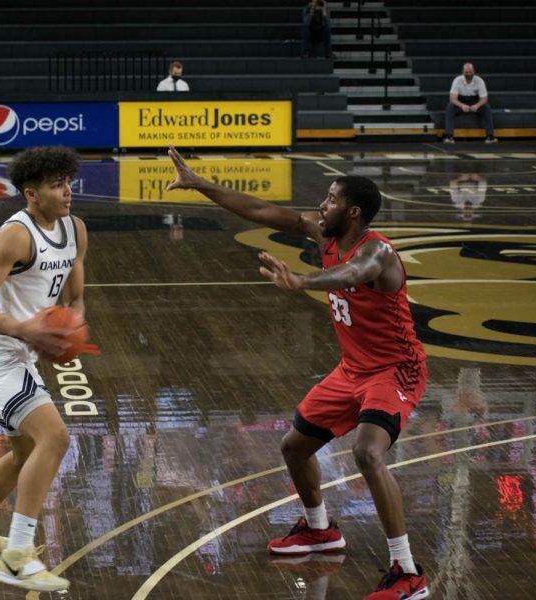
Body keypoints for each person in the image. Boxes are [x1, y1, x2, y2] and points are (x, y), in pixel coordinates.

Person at [167, 145, 430, 600]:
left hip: (395, 370)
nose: (320, 205)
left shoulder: (378, 253)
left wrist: (303, 281)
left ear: (352, 212)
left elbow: (353, 273)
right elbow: (261, 209)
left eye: (330, 200)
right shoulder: (324, 232)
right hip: (352, 370)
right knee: (294, 446)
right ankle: (320, 529)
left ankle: (407, 572)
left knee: (367, 453)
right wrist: (201, 184)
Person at [0, 146, 88, 593]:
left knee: (26, 454)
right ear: (31, 193)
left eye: (68, 181)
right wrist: (26, 328)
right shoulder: (15, 236)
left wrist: (73, 327)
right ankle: (18, 557)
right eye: (56, 185)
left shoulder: (76, 229)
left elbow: (75, 296)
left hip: (25, 352)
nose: (67, 191)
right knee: (56, 438)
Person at [443, 63, 497, 144]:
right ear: (462, 72)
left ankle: (490, 136)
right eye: (467, 72)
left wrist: (477, 105)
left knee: (486, 107)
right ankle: (448, 136)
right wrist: (462, 105)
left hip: (475, 100)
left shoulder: (479, 81)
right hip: (460, 100)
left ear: (474, 71)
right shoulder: (457, 80)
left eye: (470, 72)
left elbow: (484, 99)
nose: (469, 74)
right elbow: (452, 99)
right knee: (450, 107)